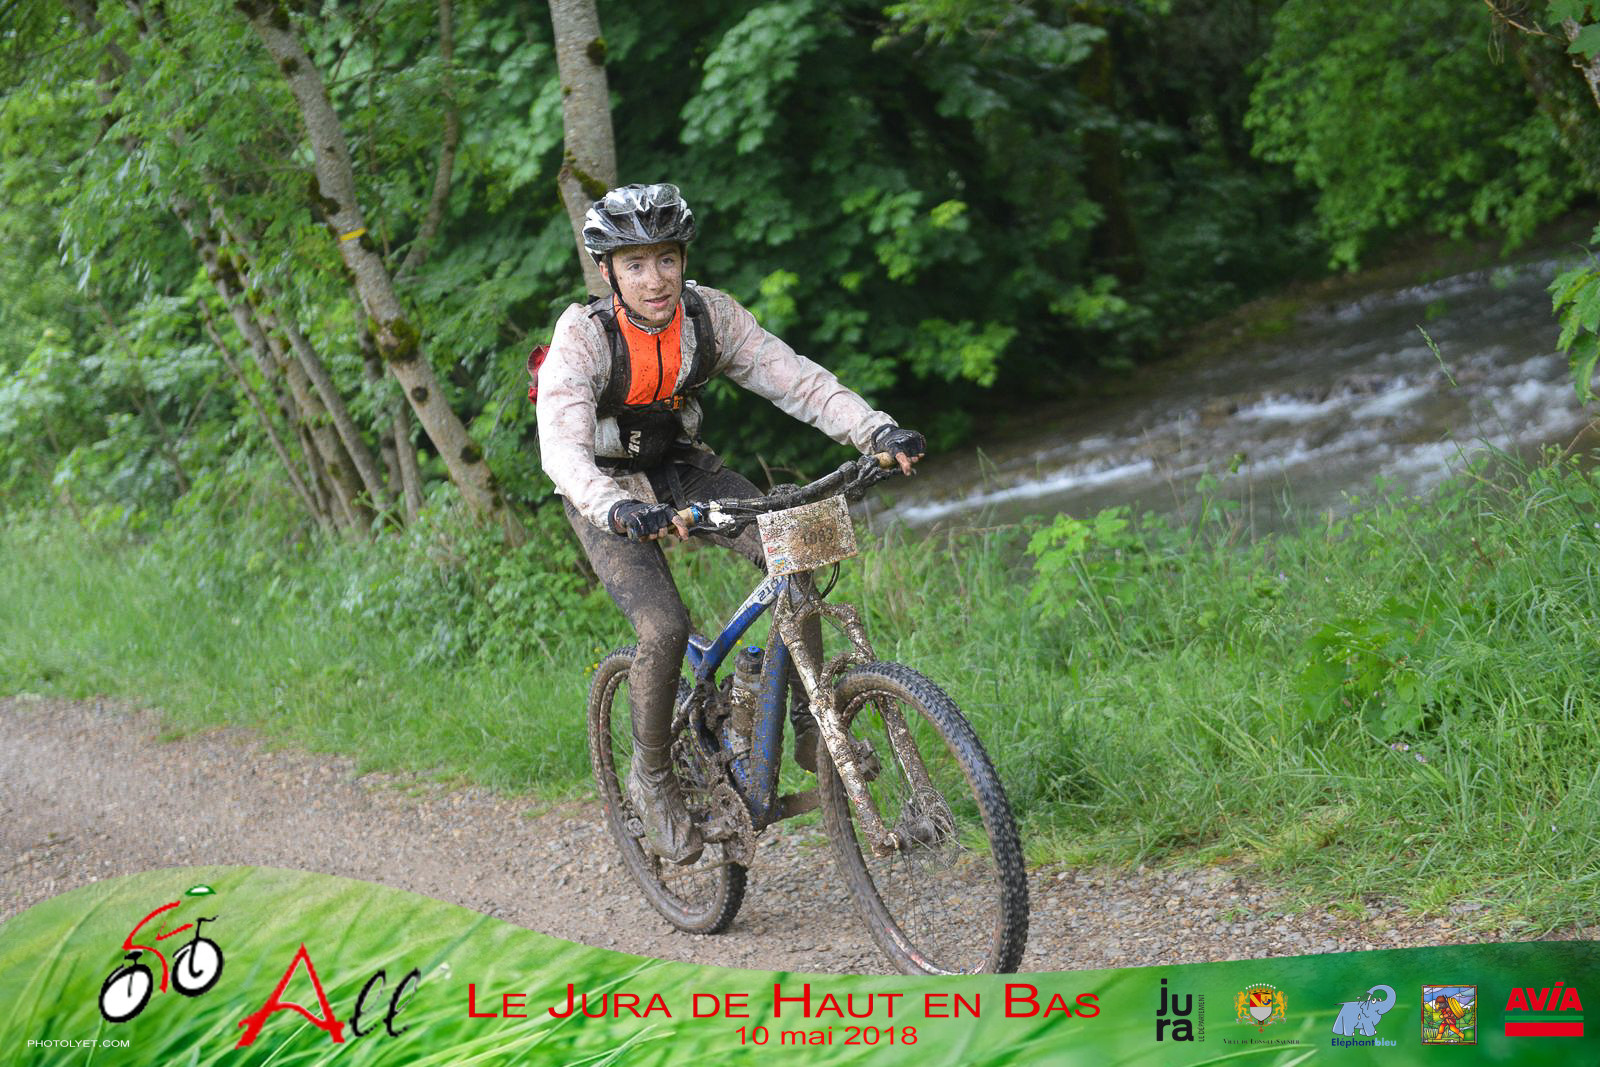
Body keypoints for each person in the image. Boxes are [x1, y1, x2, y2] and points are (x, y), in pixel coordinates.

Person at [537, 183, 925, 864]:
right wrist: (617, 507)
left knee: (795, 548)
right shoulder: (585, 337)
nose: (655, 280)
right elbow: (562, 450)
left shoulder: (708, 317)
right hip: (604, 490)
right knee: (663, 626)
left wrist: (875, 431)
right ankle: (653, 776)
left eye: (666, 259)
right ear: (607, 272)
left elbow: (796, 380)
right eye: (635, 265)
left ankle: (810, 725)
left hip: (683, 468)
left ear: (683, 260)